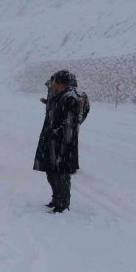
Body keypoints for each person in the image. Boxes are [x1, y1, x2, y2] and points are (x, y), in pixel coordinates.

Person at [33, 70, 80, 213]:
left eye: (53, 81)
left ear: (60, 83)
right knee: (52, 173)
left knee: (61, 175)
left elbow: (69, 123)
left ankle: (63, 204)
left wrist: (55, 135)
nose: (51, 84)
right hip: (52, 143)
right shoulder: (58, 96)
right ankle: (56, 199)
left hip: (62, 146)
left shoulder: (70, 98)